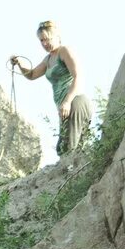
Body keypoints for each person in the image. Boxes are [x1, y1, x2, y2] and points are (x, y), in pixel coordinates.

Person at [11, 21, 93, 156]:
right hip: (64, 106)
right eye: (41, 40)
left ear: (57, 36)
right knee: (64, 148)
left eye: (47, 39)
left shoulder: (64, 51)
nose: (44, 43)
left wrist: (67, 102)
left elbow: (78, 76)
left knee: (69, 147)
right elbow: (32, 75)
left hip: (75, 101)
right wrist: (19, 63)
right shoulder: (48, 59)